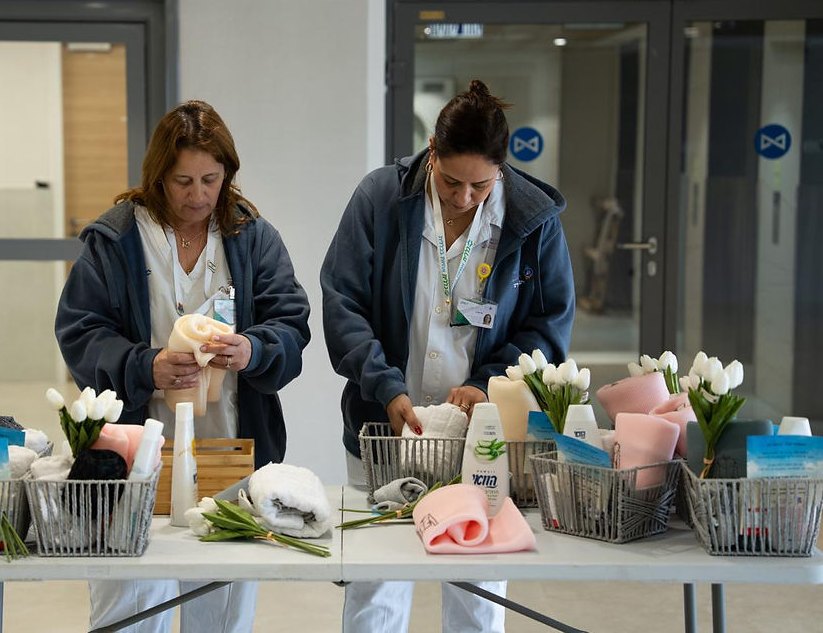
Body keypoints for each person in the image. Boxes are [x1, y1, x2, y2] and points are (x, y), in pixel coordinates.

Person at [321, 79, 574, 632]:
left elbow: (549, 327)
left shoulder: (533, 222)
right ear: (430, 151)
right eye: (451, 181)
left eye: (480, 185)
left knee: (479, 591)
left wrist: (486, 383)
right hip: (386, 426)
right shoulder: (382, 198)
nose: (463, 197)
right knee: (377, 587)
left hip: (480, 431)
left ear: (501, 171)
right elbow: (343, 304)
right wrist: (385, 386)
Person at [55, 100, 310, 633]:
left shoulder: (252, 237)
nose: (198, 196)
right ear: (158, 177)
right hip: (134, 456)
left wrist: (254, 350)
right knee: (127, 608)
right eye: (183, 181)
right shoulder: (118, 239)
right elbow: (80, 331)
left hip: (229, 449)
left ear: (228, 174)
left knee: (219, 609)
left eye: (210, 180)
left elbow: (291, 321)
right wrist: (142, 365)